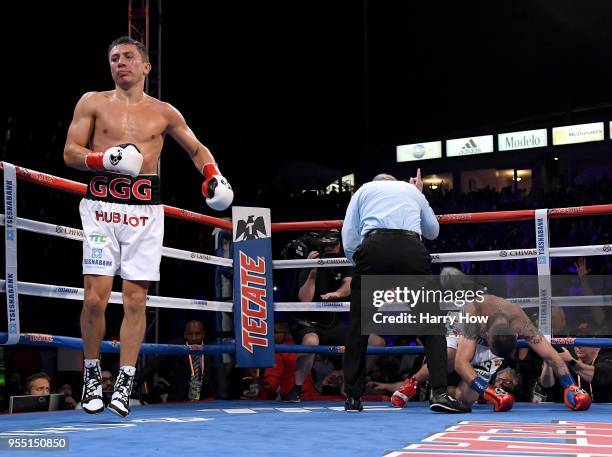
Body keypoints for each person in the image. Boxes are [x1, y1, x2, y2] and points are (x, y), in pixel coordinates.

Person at [63, 36, 233, 417]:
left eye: (127, 57)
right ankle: (91, 375)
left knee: (136, 299)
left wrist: (212, 175)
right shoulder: (92, 101)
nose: (119, 63)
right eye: (113, 58)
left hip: (144, 212)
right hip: (100, 208)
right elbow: (70, 153)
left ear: (145, 67)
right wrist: (104, 159)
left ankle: (123, 382)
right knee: (95, 297)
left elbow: (196, 148)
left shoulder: (164, 112)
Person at [341, 170, 468, 413]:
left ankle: (353, 398)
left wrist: (361, 263)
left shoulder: (363, 190)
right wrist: (419, 195)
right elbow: (433, 231)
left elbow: (349, 237)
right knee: (432, 326)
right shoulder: (410, 190)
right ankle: (439, 393)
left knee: (358, 327)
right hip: (410, 249)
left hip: (373, 248)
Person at [284, 231, 385, 402]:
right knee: (310, 342)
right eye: (328, 244)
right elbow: (305, 298)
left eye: (334, 244)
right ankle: (297, 388)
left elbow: (348, 285)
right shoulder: (311, 260)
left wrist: (337, 294)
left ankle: (349, 383)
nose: (332, 247)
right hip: (308, 322)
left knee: (377, 343)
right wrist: (313, 271)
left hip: (332, 324)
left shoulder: (343, 261)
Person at [135, 320, 218, 402]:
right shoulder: (176, 347)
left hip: (206, 399)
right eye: (190, 334)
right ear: (185, 335)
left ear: (203, 334)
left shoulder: (211, 348)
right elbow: (153, 365)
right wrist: (134, 381)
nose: (194, 338)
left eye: (197, 334)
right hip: (180, 398)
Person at [540, 339, 612, 403]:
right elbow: (547, 385)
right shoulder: (567, 353)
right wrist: (547, 363)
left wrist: (571, 361)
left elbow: (600, 376)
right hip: (569, 410)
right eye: (577, 344)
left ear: (597, 347)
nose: (579, 347)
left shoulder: (607, 356)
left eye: (584, 343)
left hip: (602, 408)